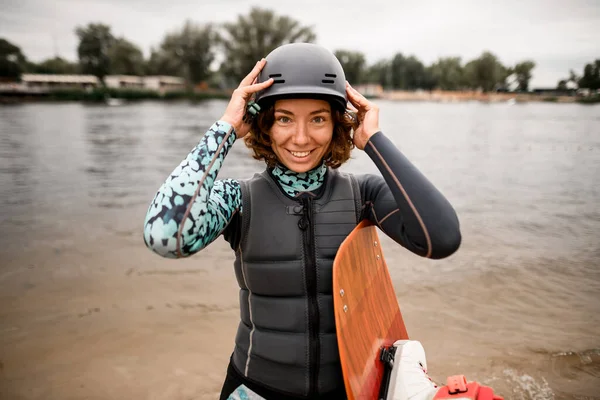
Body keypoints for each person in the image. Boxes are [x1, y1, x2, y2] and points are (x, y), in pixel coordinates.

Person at [143, 43, 462, 399]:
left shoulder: (364, 196)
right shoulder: (238, 200)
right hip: (254, 390)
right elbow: (165, 237)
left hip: (348, 391)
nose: (301, 138)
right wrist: (226, 128)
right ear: (263, 123)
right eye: (284, 119)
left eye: (318, 119)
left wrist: (373, 140)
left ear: (338, 124)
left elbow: (441, 237)